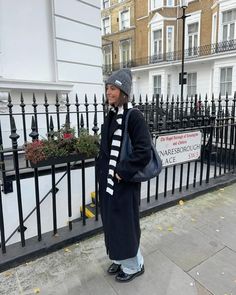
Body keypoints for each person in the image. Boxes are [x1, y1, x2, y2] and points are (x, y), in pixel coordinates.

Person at [97, 68, 151, 283]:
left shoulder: (134, 116)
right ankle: (120, 258)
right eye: (108, 88)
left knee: (125, 225)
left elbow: (144, 151)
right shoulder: (112, 113)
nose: (109, 92)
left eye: (113, 88)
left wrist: (122, 172)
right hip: (109, 183)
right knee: (112, 223)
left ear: (124, 91)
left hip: (124, 183)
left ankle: (134, 265)